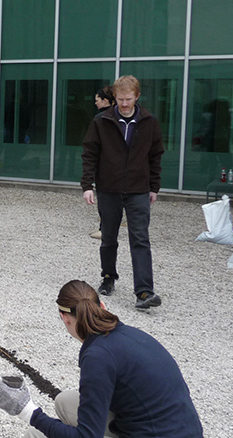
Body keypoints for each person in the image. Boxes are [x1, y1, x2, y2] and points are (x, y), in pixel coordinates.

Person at [0, 279, 205, 438]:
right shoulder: (127, 335)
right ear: (102, 307)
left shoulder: (98, 357)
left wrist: (27, 411)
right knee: (64, 402)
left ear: (65, 318)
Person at [80, 75, 163, 309]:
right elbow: (90, 155)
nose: (124, 104)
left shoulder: (149, 122)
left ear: (137, 97)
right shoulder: (101, 121)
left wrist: (154, 187)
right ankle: (108, 277)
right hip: (108, 188)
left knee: (140, 239)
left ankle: (144, 291)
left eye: (128, 99)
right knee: (108, 237)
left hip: (138, 189)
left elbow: (155, 157)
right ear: (114, 98)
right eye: (119, 100)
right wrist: (88, 185)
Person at [89, 86, 115, 240]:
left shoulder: (102, 119)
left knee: (106, 199)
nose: (95, 103)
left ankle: (105, 229)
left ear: (105, 101)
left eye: (97, 100)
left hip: (107, 164)